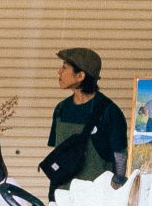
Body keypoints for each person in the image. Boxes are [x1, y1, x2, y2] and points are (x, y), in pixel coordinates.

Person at [41, 47, 129, 192]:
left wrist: (116, 188)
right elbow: (58, 152)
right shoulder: (61, 109)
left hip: (96, 197)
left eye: (64, 67)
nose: (59, 72)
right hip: (64, 195)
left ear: (80, 76)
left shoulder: (110, 111)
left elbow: (120, 156)